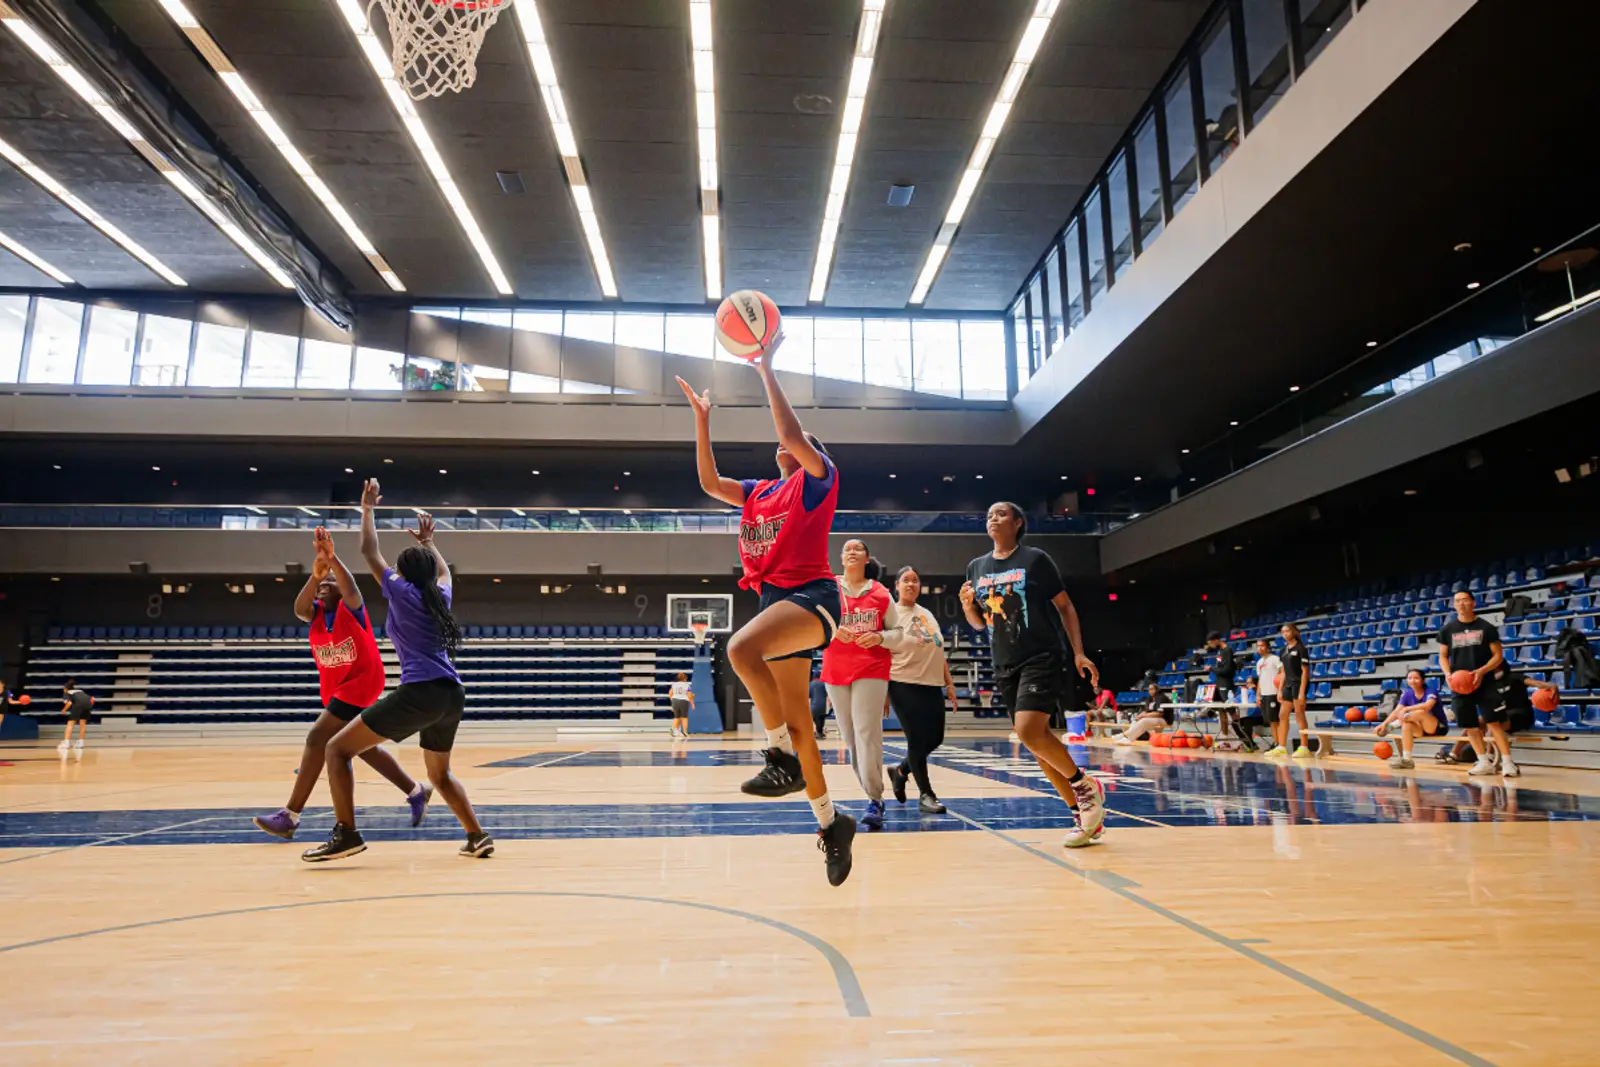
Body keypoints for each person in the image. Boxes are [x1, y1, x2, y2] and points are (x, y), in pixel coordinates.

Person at [676, 338, 857, 886]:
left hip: (814, 600)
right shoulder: (758, 492)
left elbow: (789, 434)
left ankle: (776, 754)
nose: (785, 448)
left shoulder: (816, 482)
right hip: (777, 605)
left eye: (798, 446)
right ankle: (832, 824)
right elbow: (709, 483)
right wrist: (702, 421)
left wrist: (766, 367)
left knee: (738, 648)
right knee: (803, 727)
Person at [302, 480, 492, 862]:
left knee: (336, 748)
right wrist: (429, 543)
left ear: (402, 574)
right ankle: (477, 836)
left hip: (420, 691)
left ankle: (347, 834)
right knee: (439, 774)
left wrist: (367, 508)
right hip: (452, 695)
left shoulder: (400, 591)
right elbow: (445, 572)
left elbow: (369, 549)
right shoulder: (441, 594)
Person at [254, 527, 430, 840]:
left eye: (330, 582)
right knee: (360, 748)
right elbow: (299, 609)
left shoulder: (353, 611)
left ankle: (290, 815)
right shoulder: (317, 613)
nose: (325, 585)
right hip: (339, 688)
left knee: (317, 738)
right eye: (323, 583)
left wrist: (334, 562)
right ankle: (415, 790)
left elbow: (351, 590)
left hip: (362, 682)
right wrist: (316, 574)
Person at [961, 501, 1105, 848]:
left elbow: (1066, 607)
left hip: (1041, 656)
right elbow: (983, 623)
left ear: (1018, 522)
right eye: (989, 514)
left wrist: (1079, 652)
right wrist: (968, 608)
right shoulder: (975, 567)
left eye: (1000, 514)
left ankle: (1085, 786)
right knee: (1033, 742)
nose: (992, 518)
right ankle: (1082, 815)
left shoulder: (1035, 559)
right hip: (1003, 662)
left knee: (1028, 729)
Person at [821, 539, 900, 831]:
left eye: (858, 549)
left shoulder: (879, 593)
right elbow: (814, 623)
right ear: (841, 558)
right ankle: (872, 793)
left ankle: (875, 799)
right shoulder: (829, 587)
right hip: (835, 669)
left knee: (867, 732)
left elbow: (899, 631)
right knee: (852, 739)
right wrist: (831, 630)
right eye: (847, 549)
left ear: (867, 558)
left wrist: (880, 638)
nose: (852, 551)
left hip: (872, 666)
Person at [885, 564, 959, 816]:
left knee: (935, 738)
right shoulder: (890, 614)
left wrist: (948, 683)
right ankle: (926, 795)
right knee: (917, 740)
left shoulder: (927, 613)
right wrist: (883, 692)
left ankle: (901, 770)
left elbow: (938, 650)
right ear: (896, 586)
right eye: (905, 580)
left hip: (932, 684)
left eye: (915, 580)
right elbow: (880, 653)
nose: (911, 584)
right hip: (903, 682)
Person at [1437, 590, 1513, 777]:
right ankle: (1483, 762)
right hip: (1460, 685)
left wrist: (1481, 671)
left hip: (1485, 682)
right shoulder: (1447, 630)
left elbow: (1498, 656)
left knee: (1493, 723)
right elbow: (1443, 656)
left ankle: (1508, 763)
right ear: (1454, 605)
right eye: (1457, 601)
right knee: (1470, 725)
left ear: (1473, 603)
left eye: (1465, 600)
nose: (1461, 604)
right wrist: (1448, 674)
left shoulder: (1486, 628)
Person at [1376, 668, 1446, 770]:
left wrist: (1407, 708)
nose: (1412, 680)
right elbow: (1397, 711)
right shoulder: (1407, 693)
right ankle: (1407, 760)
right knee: (1407, 724)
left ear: (1423, 680)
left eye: (1416, 678)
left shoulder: (1431, 691)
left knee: (1421, 712)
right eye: (1410, 678)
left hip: (1437, 727)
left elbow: (1428, 706)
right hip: (1419, 729)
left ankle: (1393, 726)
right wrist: (1383, 724)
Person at [1272, 623, 1312, 758]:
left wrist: (1301, 692)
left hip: (1299, 684)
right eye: (1283, 632)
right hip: (1288, 686)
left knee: (1300, 714)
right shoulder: (1283, 651)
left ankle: (1304, 747)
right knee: (1282, 715)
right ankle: (1281, 746)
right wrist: (1279, 690)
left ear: (1294, 632)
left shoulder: (1301, 649)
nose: (1285, 634)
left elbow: (1305, 672)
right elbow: (1283, 672)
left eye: (1287, 631)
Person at [1252, 638, 1283, 756]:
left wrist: (1280, 690)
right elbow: (1260, 679)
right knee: (1271, 721)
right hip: (1264, 695)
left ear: (1268, 647)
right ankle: (1276, 743)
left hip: (1274, 693)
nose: (1260, 648)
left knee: (1276, 721)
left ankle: (1280, 744)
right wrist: (1258, 694)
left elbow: (1282, 673)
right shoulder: (1259, 662)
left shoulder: (1275, 659)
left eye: (1262, 646)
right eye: (1258, 646)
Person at [58, 680, 92, 754]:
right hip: (88, 704)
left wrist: (63, 710)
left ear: (65, 688)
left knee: (70, 724)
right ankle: (81, 742)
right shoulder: (80, 691)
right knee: (82, 724)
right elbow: (92, 699)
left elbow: (69, 703)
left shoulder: (67, 693)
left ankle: (66, 743)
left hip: (78, 706)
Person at [669, 671, 694, 739]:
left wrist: (672, 700)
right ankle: (685, 732)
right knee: (684, 717)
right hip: (683, 700)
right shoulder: (687, 685)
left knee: (677, 717)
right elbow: (689, 695)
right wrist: (692, 701)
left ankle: (673, 730)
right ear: (685, 678)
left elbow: (670, 693)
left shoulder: (674, 684)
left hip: (674, 700)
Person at [808, 669, 829, 740]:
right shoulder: (824, 684)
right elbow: (827, 694)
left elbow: (809, 695)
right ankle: (820, 732)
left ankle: (818, 732)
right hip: (822, 706)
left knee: (815, 719)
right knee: (821, 719)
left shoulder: (810, 684)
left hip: (813, 706)